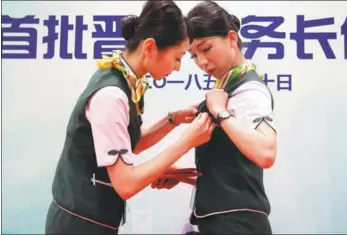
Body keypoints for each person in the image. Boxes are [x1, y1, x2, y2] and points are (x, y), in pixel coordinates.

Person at [45, 1, 215, 234]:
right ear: (149, 47)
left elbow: (130, 144)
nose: (177, 68)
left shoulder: (125, 81)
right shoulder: (112, 95)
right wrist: (187, 141)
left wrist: (172, 120)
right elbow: (126, 183)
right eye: (177, 57)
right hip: (78, 225)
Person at [152, 1, 277, 234]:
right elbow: (233, 165)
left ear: (231, 39)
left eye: (206, 49)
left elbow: (266, 153)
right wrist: (182, 174)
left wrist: (220, 113)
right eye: (193, 56)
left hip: (238, 226)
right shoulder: (227, 87)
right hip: (219, 222)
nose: (202, 62)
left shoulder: (250, 90)